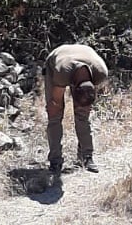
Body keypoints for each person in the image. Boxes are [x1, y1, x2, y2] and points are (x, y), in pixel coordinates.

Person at [43, 43, 109, 177]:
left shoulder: (101, 73)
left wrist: (84, 106)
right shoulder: (62, 72)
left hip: (85, 57)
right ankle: (55, 161)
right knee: (55, 115)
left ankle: (86, 157)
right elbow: (55, 102)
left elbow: (88, 98)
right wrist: (53, 105)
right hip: (58, 59)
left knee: (82, 116)